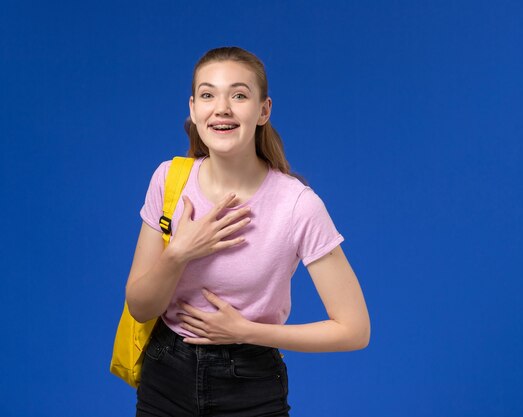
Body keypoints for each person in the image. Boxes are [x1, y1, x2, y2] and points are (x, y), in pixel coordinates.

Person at [125, 46, 370, 417]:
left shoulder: (297, 205)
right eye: (208, 95)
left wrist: (245, 331)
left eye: (239, 95)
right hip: (165, 377)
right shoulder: (168, 180)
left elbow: (354, 330)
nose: (222, 107)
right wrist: (179, 252)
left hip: (251, 385)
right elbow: (140, 308)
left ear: (263, 111)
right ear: (193, 109)